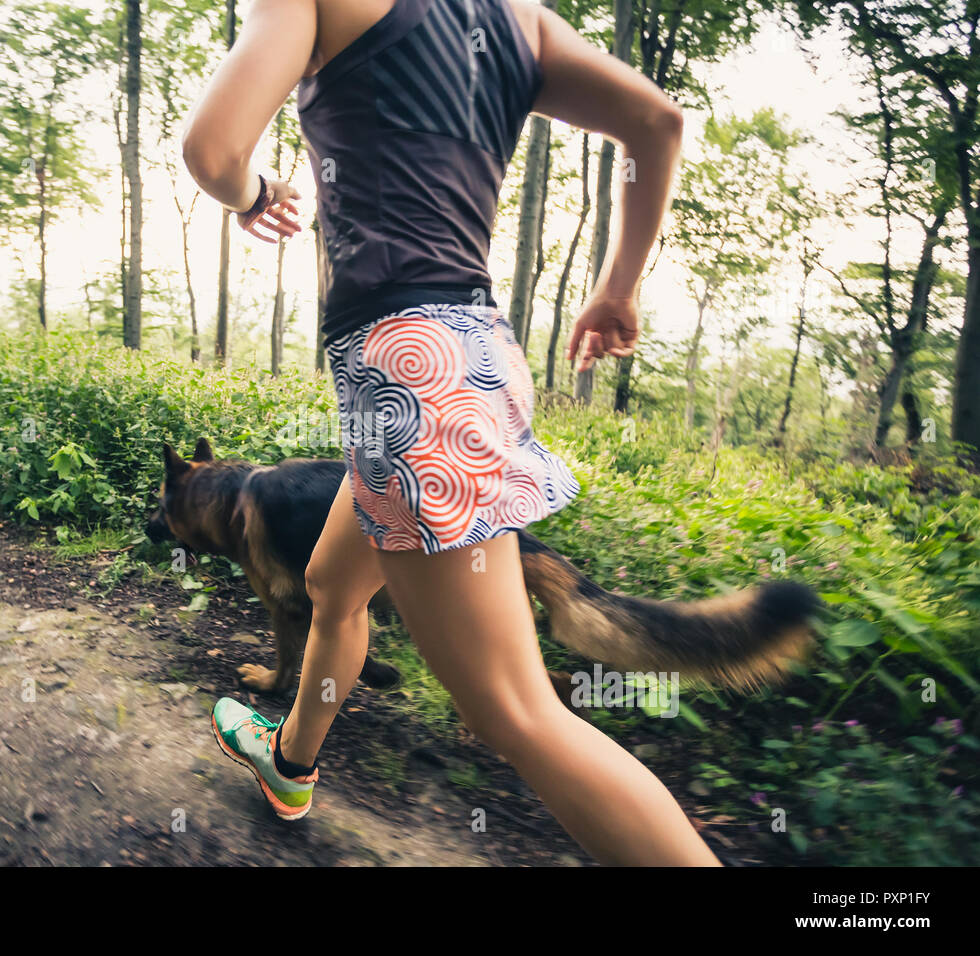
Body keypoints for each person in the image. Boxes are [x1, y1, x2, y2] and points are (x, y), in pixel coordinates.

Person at [182, 0, 720, 865]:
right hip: (474, 352)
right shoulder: (521, 21)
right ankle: (289, 764)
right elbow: (656, 123)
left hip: (406, 375)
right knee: (330, 584)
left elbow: (213, 152)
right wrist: (619, 286)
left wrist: (255, 196)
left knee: (514, 710)